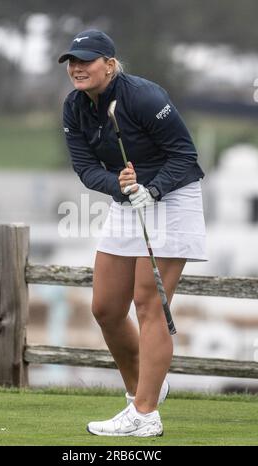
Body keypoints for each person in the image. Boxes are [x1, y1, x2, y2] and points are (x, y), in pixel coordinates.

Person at [59, 29, 207, 437]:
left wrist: (153, 189)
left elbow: (185, 156)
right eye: (72, 61)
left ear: (109, 64)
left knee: (148, 304)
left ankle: (144, 413)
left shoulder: (144, 96)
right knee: (105, 308)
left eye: (86, 60)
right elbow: (85, 168)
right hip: (128, 200)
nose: (77, 67)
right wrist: (122, 188)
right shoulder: (74, 107)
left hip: (174, 197)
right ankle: (147, 386)